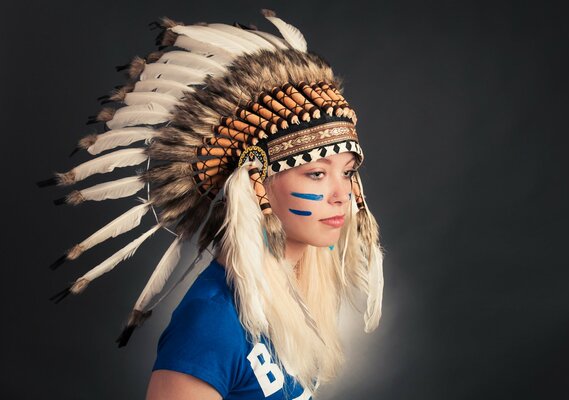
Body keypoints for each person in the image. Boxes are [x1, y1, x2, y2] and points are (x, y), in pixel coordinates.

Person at [39, 10, 384, 400]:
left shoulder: (294, 300)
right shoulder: (212, 322)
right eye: (317, 174)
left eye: (348, 171)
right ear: (257, 185)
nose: (342, 194)